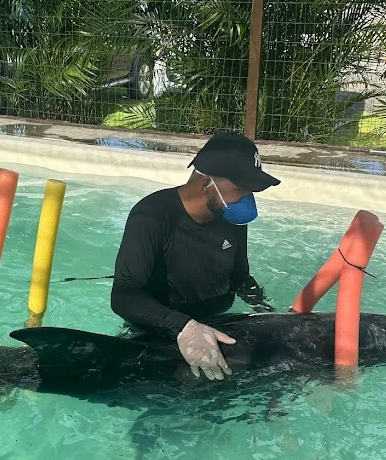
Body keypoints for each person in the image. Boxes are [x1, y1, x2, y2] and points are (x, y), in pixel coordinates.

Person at [110, 132, 281, 381]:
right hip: (164, 334)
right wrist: (183, 327)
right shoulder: (152, 215)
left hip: (220, 326)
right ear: (206, 184)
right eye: (241, 189)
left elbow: (240, 277)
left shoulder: (231, 218)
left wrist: (266, 310)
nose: (248, 199)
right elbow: (124, 296)